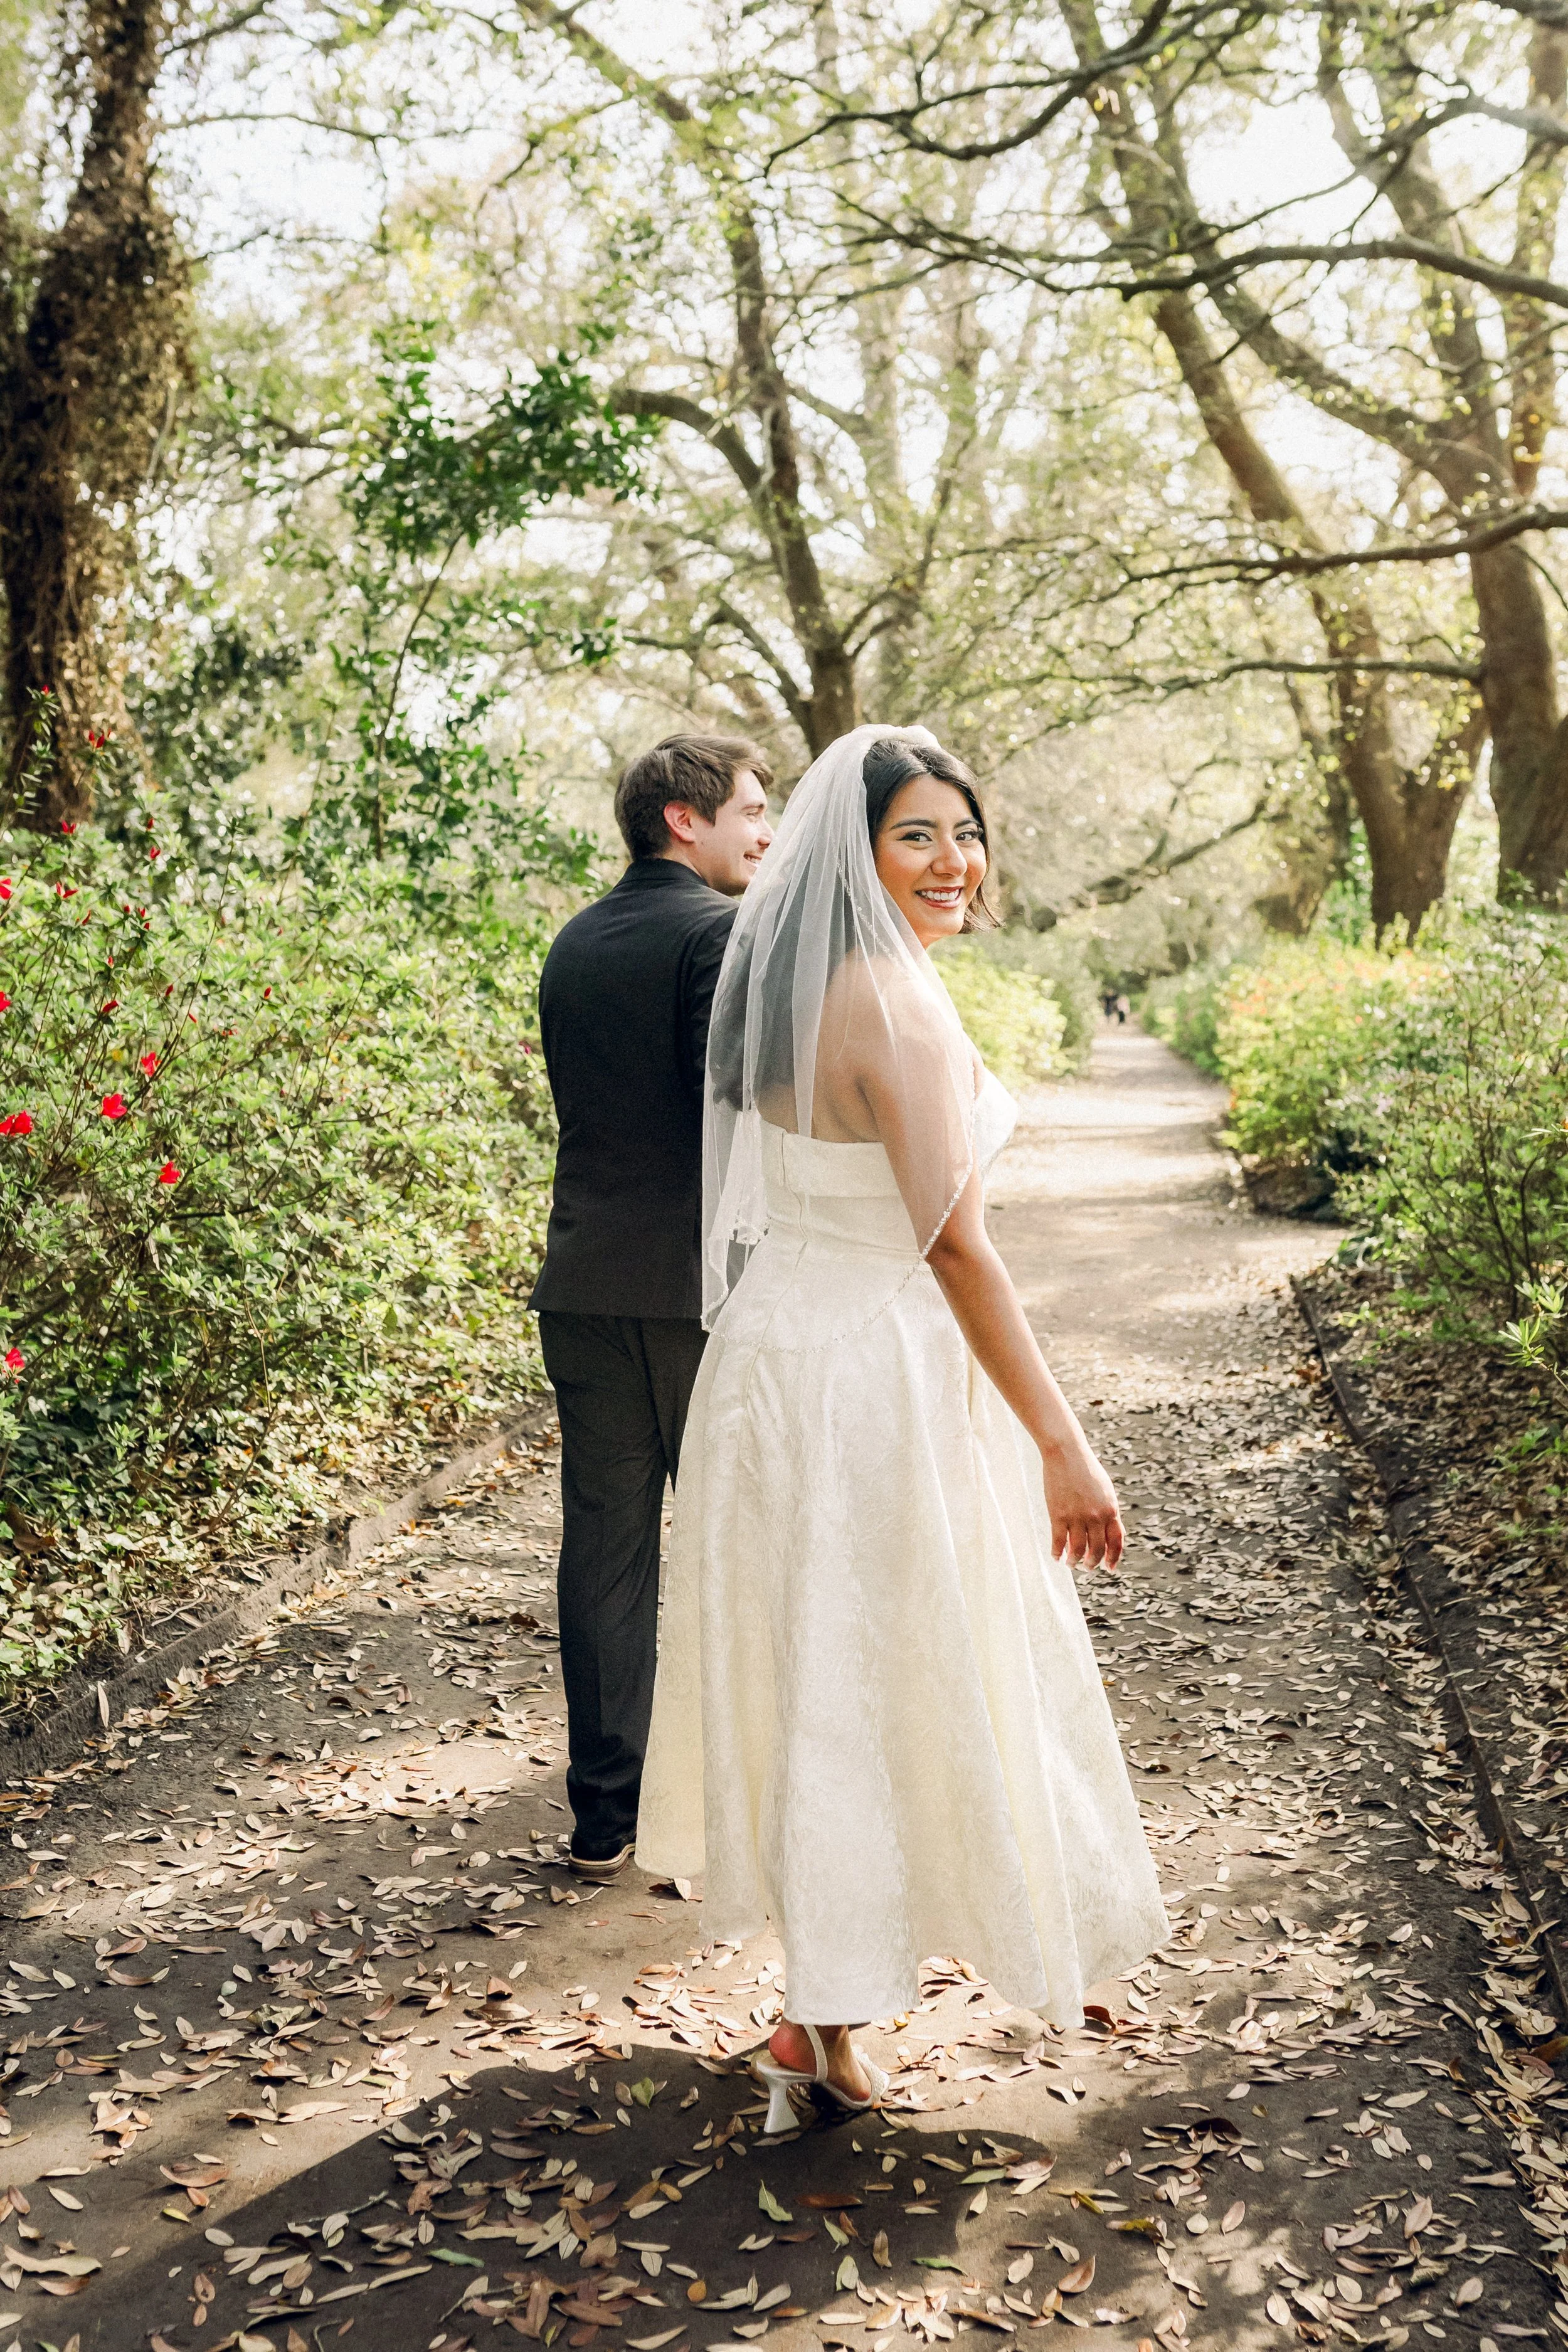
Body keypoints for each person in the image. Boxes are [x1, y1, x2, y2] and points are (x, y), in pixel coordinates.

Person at [635, 724, 1167, 2124]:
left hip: (770, 1363)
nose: (950, 862)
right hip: (868, 1372)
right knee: (886, 1668)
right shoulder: (893, 1003)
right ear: (854, 857)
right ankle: (824, 2014)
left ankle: (820, 2017)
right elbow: (954, 1249)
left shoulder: (783, 996)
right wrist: (1063, 1442)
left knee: (822, 1671)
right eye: (914, 836)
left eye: (962, 832)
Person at [531, 733, 774, 1880]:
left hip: (581, 1283)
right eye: (750, 813)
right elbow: (726, 1115)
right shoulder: (717, 934)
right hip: (692, 1294)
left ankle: (603, 1817)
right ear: (687, 819)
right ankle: (720, 1812)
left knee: (606, 1552)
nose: (764, 834)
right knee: (729, 1545)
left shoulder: (572, 941)